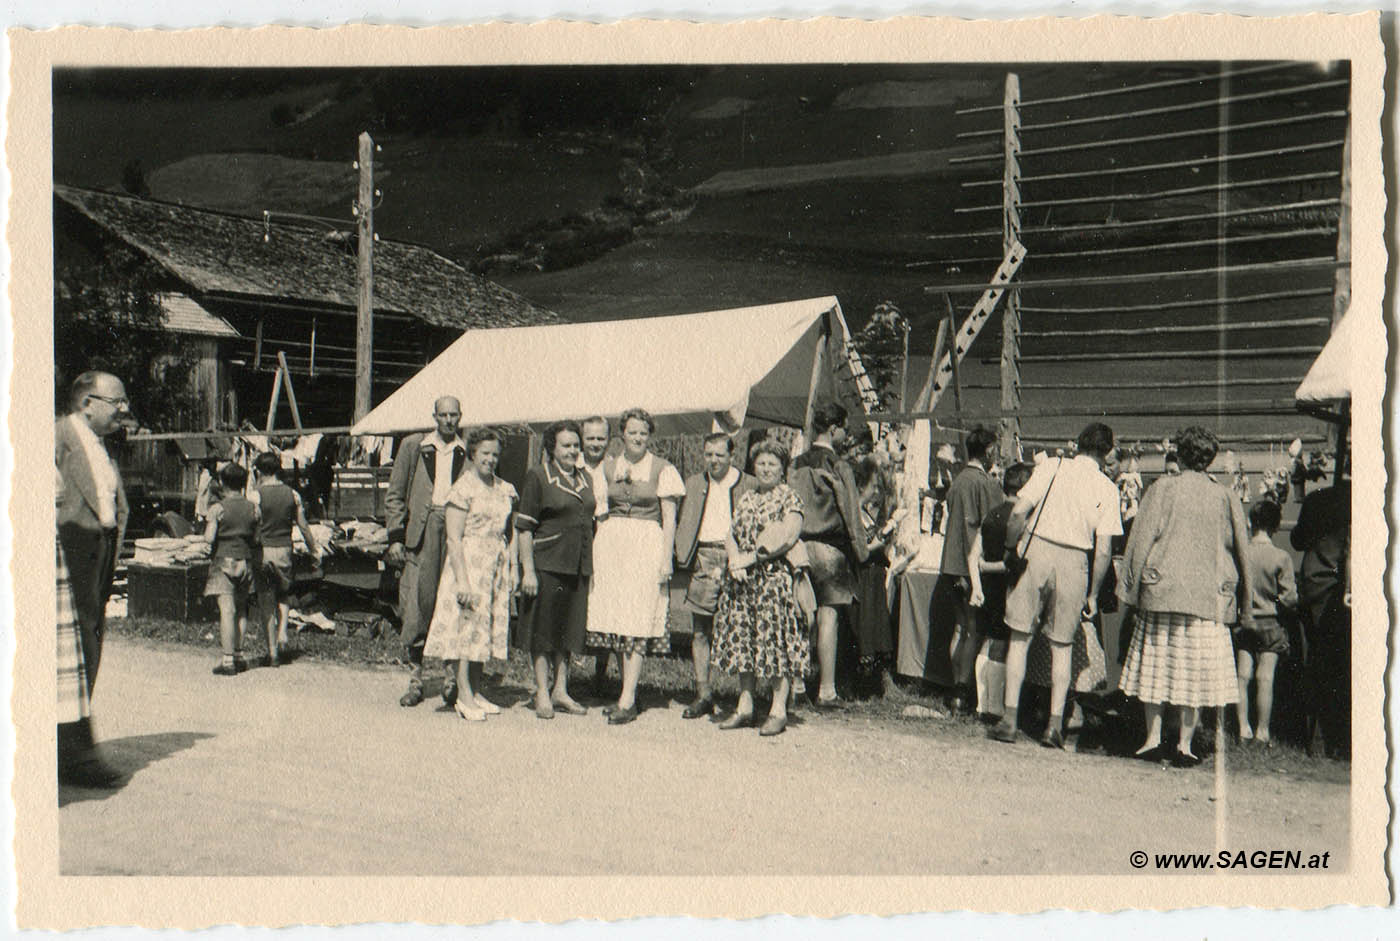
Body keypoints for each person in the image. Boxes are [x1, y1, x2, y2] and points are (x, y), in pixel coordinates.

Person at [1116, 426, 1252, 767]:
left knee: (1157, 666)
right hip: (1207, 598)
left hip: (1163, 590)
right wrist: (1242, 599)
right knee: (1195, 671)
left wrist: (1130, 590)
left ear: (1181, 453)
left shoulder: (1162, 488)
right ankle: (1185, 744)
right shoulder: (1225, 496)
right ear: (1210, 458)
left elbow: (1140, 538)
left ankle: (1151, 739)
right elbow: (1242, 550)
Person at [990, 423, 1122, 749]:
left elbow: (1019, 511)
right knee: (1062, 646)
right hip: (1075, 559)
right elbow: (1103, 549)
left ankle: (1008, 718)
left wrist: (1011, 549)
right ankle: (1054, 725)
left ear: (1077, 444)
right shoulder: (1107, 488)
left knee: (1019, 638)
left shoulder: (1052, 466)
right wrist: (1093, 592)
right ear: (1106, 453)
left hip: (1037, 551)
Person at [55, 370, 131, 788]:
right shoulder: (56, 438)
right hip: (68, 559)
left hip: (99, 557)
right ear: (87, 403)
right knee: (74, 656)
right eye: (117, 402)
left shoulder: (103, 446)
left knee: (89, 648)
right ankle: (77, 756)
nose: (125, 409)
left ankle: (69, 750)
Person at [586, 408, 684, 725]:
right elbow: (601, 512)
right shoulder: (609, 466)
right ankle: (626, 691)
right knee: (618, 617)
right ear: (622, 435)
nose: (638, 438)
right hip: (613, 545)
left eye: (643, 433)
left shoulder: (662, 469)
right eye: (632, 432)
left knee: (638, 617)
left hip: (646, 546)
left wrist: (666, 558)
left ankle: (627, 698)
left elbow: (669, 519)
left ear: (649, 435)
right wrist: (600, 549)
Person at [712, 438, 808, 736]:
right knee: (744, 641)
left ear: (782, 469)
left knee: (775, 643)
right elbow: (730, 533)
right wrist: (733, 561)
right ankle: (745, 706)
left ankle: (778, 710)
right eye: (761, 463)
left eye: (772, 464)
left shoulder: (789, 499)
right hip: (742, 583)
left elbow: (787, 538)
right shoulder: (747, 497)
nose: (766, 469)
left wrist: (747, 560)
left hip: (773, 581)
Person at [424, 429, 518, 722]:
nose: (490, 459)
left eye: (495, 454)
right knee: (467, 630)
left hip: (494, 565)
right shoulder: (462, 489)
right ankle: (463, 695)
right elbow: (453, 538)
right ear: (473, 454)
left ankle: (476, 690)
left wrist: (512, 568)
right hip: (468, 566)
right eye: (485, 454)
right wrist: (462, 581)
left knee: (484, 630)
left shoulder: (505, 488)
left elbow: (511, 533)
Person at [385, 396, 469, 708]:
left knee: (451, 604)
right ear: (434, 416)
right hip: (421, 533)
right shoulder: (414, 446)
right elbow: (395, 494)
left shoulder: (467, 450)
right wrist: (395, 536)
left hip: (455, 533)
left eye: (454, 415)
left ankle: (451, 680)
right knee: (416, 607)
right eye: (443, 415)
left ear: (460, 417)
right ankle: (415, 679)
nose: (448, 420)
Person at [789, 402, 868, 706]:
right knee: (828, 618)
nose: (846, 434)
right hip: (831, 549)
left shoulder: (795, 464)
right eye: (844, 429)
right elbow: (851, 511)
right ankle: (826, 690)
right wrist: (861, 551)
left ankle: (796, 685)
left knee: (799, 616)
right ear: (833, 429)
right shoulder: (839, 466)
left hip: (798, 546)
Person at [674, 431, 756, 719]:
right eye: (709, 454)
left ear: (731, 455)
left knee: (744, 629)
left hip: (738, 560)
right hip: (705, 558)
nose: (713, 460)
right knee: (700, 629)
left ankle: (747, 699)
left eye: (719, 454)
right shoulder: (695, 483)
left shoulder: (749, 484)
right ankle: (703, 693)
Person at [516, 421, 595, 718]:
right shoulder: (538, 477)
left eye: (576, 445)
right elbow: (524, 528)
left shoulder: (586, 478)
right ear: (551, 448)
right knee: (543, 629)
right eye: (566, 445)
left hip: (577, 565)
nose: (572, 450)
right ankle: (541, 691)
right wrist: (528, 571)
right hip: (547, 563)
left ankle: (561, 690)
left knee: (569, 629)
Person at [930, 426, 1003, 713]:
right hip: (971, 563)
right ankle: (962, 690)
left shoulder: (959, 480)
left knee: (960, 628)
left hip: (951, 563)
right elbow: (995, 520)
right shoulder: (984, 483)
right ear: (988, 452)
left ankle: (955, 686)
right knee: (973, 629)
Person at [1290, 466, 1350, 759]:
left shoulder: (1318, 499)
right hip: (1339, 584)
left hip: (1317, 583)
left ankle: (1317, 739)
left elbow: (1298, 540)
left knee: (1317, 660)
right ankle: (1338, 737)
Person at [968, 461, 1033, 723]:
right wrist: (993, 568)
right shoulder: (1021, 520)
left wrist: (976, 584)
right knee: (1002, 644)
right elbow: (1014, 562)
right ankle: (994, 706)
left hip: (987, 588)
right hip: (1009, 588)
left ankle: (983, 703)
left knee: (988, 641)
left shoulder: (991, 515)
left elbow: (973, 555)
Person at [1234, 499, 1297, 746]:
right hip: (1271, 623)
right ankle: (1262, 731)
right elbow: (1289, 598)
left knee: (1242, 675)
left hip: (1245, 620)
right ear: (1276, 526)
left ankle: (1242, 728)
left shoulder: (1242, 555)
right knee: (1265, 678)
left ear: (1251, 523)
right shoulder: (1281, 557)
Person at [251, 451, 320, 666]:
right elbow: (303, 526)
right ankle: (283, 632)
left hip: (263, 551)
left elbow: (252, 524)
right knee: (283, 594)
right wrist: (314, 549)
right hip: (284, 550)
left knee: (265, 599)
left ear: (259, 471)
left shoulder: (255, 495)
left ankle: (272, 653)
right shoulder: (293, 494)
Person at [202, 462, 258, 676]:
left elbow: (209, 537)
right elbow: (256, 536)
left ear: (223, 483)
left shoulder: (218, 508)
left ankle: (227, 661)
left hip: (223, 559)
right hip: (245, 559)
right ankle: (239, 655)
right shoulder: (253, 507)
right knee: (241, 610)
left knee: (227, 610)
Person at [850, 454, 898, 695]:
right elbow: (861, 548)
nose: (876, 491)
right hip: (866, 576)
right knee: (866, 626)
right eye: (874, 485)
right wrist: (880, 540)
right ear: (862, 486)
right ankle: (864, 682)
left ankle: (873, 681)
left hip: (874, 575)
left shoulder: (865, 512)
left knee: (875, 625)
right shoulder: (854, 512)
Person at [578, 415, 615, 692]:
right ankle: (563, 673)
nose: (595, 443)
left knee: (604, 602)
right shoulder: (571, 465)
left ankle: (600, 673)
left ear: (609, 440)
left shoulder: (615, 467)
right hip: (576, 537)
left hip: (608, 538)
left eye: (600, 438)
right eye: (590, 438)